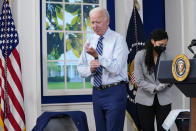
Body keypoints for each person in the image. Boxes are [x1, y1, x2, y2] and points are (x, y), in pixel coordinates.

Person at [77, 7, 129, 131]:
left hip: (115, 92)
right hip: (97, 93)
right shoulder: (90, 41)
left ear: (107, 21)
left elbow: (116, 68)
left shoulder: (119, 40)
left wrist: (97, 57)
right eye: (92, 22)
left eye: (98, 22)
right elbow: (80, 69)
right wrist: (90, 69)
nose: (94, 26)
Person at [134, 29, 172, 131]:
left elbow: (170, 77)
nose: (163, 47)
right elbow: (139, 80)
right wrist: (155, 88)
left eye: (165, 45)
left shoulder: (168, 57)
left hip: (164, 101)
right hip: (144, 101)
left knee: (164, 129)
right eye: (161, 44)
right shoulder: (140, 55)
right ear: (152, 41)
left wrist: (163, 85)